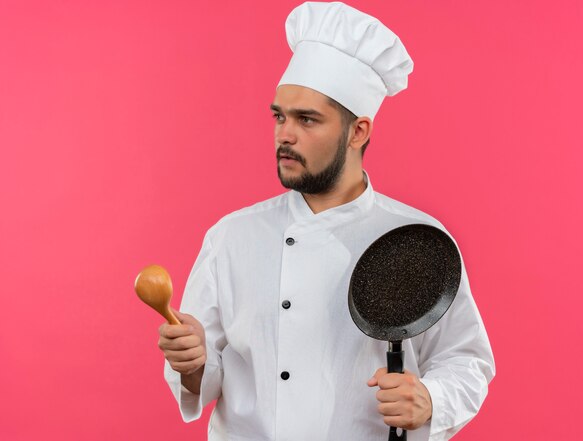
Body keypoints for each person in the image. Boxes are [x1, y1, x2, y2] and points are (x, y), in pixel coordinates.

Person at [158, 2, 495, 440]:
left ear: (358, 131)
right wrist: (194, 362)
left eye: (307, 119)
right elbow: (205, 380)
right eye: (279, 116)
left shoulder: (415, 238)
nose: (285, 135)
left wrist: (431, 398)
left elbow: (467, 360)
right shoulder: (231, 237)